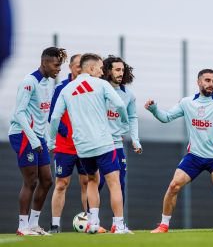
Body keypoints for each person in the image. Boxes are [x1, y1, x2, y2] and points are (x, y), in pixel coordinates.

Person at [145, 69, 213, 233]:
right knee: (173, 186)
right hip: (194, 156)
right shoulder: (187, 102)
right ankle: (163, 225)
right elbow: (166, 117)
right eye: (207, 80)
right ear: (199, 82)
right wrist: (154, 109)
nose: (211, 84)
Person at [48, 53, 132, 234]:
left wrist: (50, 140)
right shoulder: (101, 84)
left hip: (82, 147)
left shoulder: (67, 89)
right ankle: (118, 224)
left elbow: (54, 118)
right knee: (114, 182)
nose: (102, 72)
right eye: (101, 68)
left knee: (92, 180)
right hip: (103, 143)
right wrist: (124, 124)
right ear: (91, 68)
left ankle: (93, 222)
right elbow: (119, 105)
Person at [8, 47, 67, 236]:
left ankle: (34, 224)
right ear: (44, 63)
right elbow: (19, 113)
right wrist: (34, 140)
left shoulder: (49, 83)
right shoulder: (29, 82)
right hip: (24, 135)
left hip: (38, 137)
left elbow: (44, 115)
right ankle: (22, 226)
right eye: (56, 65)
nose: (59, 69)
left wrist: (48, 139)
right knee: (31, 181)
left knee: (47, 180)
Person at [47, 54, 89, 233]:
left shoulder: (90, 87)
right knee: (61, 183)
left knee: (87, 182)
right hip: (65, 145)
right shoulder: (61, 88)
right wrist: (67, 133)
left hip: (86, 144)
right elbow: (52, 116)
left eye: (83, 65)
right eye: (78, 65)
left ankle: (90, 221)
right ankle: (55, 225)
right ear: (71, 67)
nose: (80, 68)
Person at [99, 56, 142, 216]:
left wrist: (135, 140)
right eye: (117, 69)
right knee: (97, 182)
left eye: (123, 70)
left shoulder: (128, 95)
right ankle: (91, 220)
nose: (121, 73)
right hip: (98, 145)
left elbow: (132, 117)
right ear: (108, 70)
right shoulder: (99, 89)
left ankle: (118, 223)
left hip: (117, 145)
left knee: (120, 183)